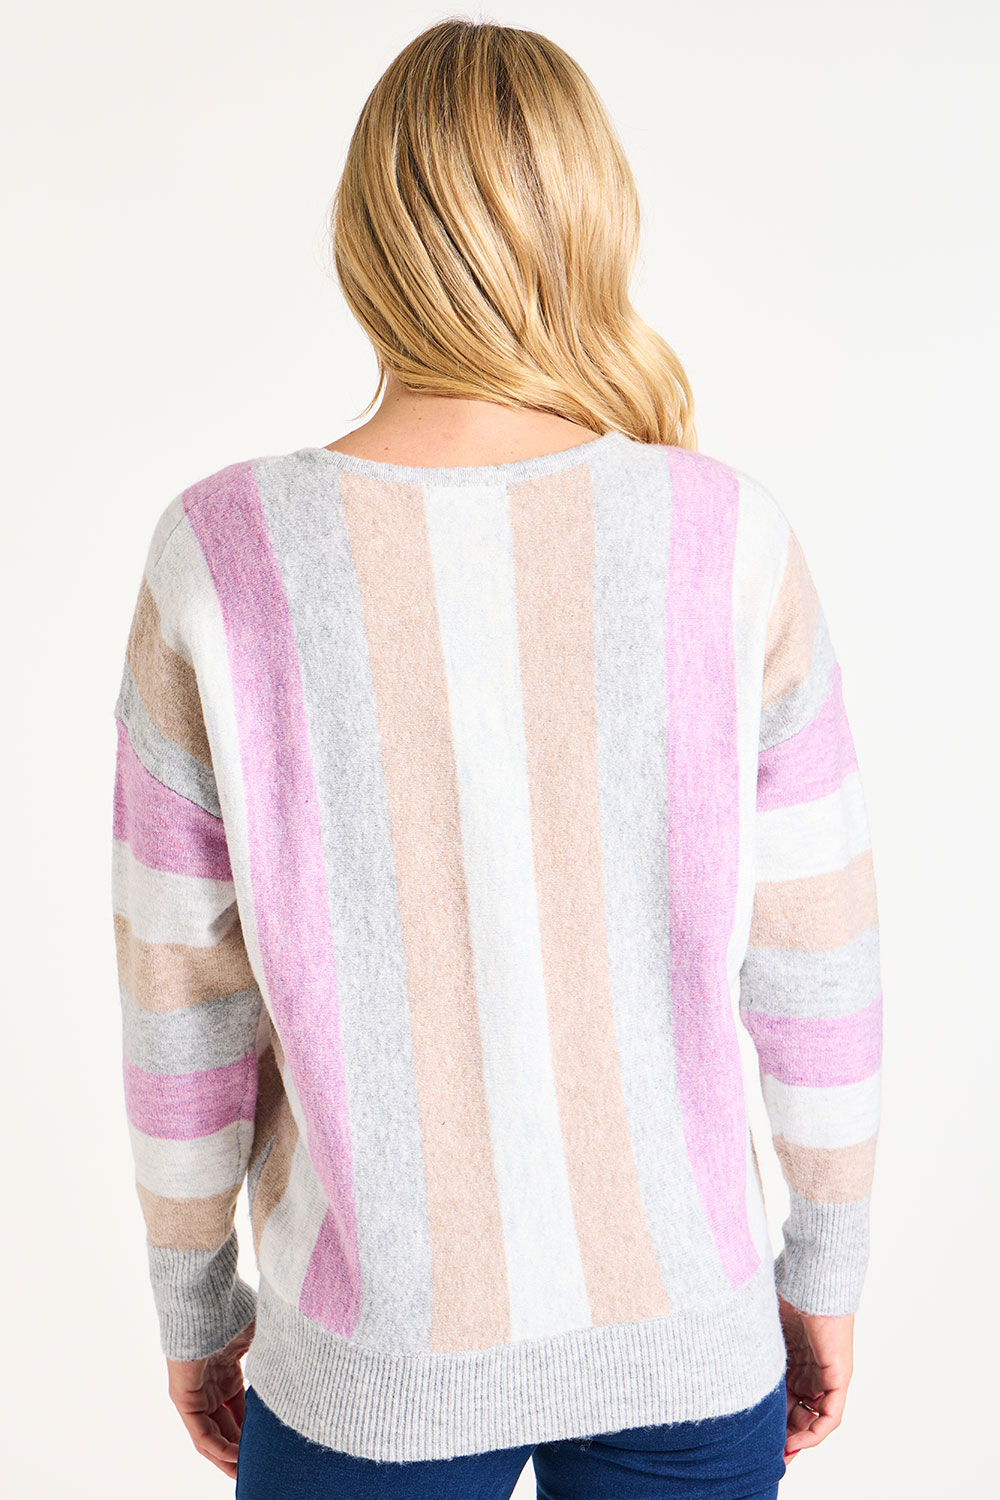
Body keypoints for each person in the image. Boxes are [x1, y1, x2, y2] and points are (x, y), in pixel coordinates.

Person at [110, 18, 881, 1499]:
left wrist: (195, 1305)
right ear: (594, 223)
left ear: (368, 237)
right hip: (688, 1331)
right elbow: (822, 957)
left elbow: (178, 992)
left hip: (373, 1359)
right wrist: (827, 1272)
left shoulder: (224, 553)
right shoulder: (728, 537)